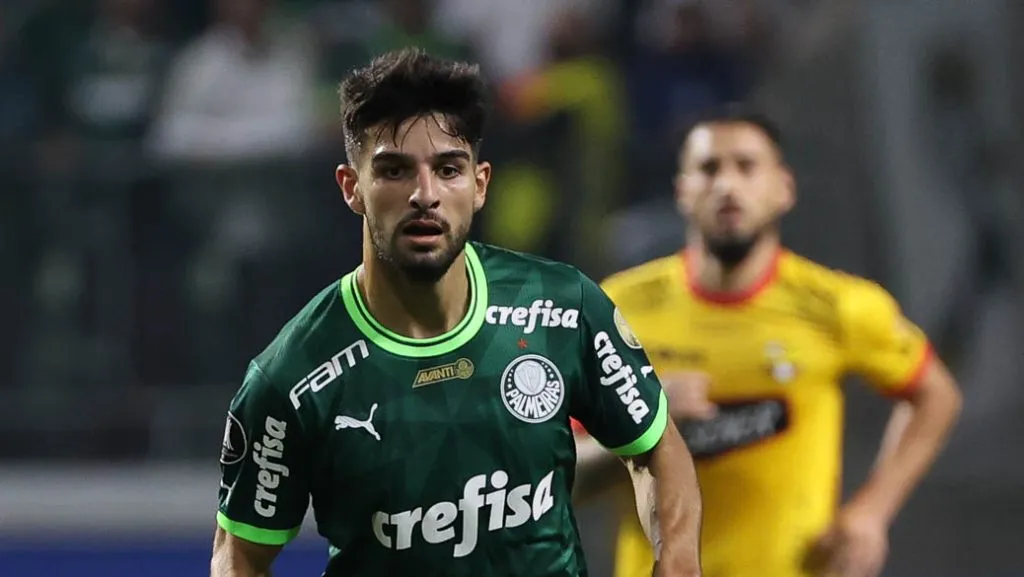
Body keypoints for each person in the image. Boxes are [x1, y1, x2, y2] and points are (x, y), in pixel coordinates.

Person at [208, 48, 703, 577]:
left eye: (448, 169)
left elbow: (657, 448)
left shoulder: (563, 307)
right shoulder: (290, 377)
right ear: (352, 188)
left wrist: (675, 558)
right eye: (394, 170)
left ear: (480, 184)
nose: (426, 195)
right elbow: (239, 553)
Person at [572, 105, 963, 577]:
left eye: (747, 166)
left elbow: (935, 395)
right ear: (682, 191)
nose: (727, 185)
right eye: (709, 168)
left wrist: (872, 513)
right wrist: (643, 422)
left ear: (784, 189)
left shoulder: (837, 305)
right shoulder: (614, 310)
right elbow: (561, 477)